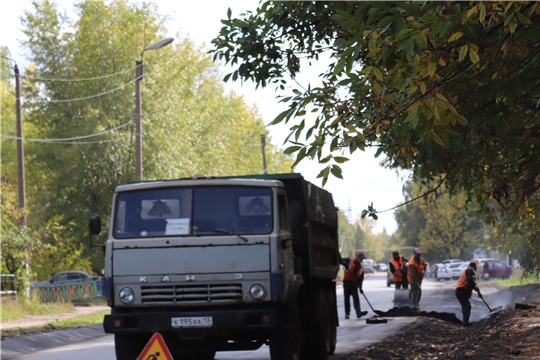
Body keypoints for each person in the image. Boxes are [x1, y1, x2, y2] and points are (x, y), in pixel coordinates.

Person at [339, 252, 368, 319]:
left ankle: (358, 312)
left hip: (354, 285)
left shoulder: (361, 268)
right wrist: (344, 263)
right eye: (361, 259)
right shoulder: (349, 260)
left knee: (356, 298)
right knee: (346, 299)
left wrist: (360, 288)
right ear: (357, 257)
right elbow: (340, 260)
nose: (362, 260)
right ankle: (347, 314)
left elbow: (360, 279)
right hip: (346, 283)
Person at [455, 261, 479, 326]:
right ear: (474, 266)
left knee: (467, 305)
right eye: (476, 266)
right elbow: (471, 280)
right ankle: (465, 322)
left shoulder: (468, 270)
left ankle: (466, 321)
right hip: (462, 290)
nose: (476, 268)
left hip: (460, 290)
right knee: (466, 305)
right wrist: (477, 289)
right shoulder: (470, 270)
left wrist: (477, 290)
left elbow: (471, 281)